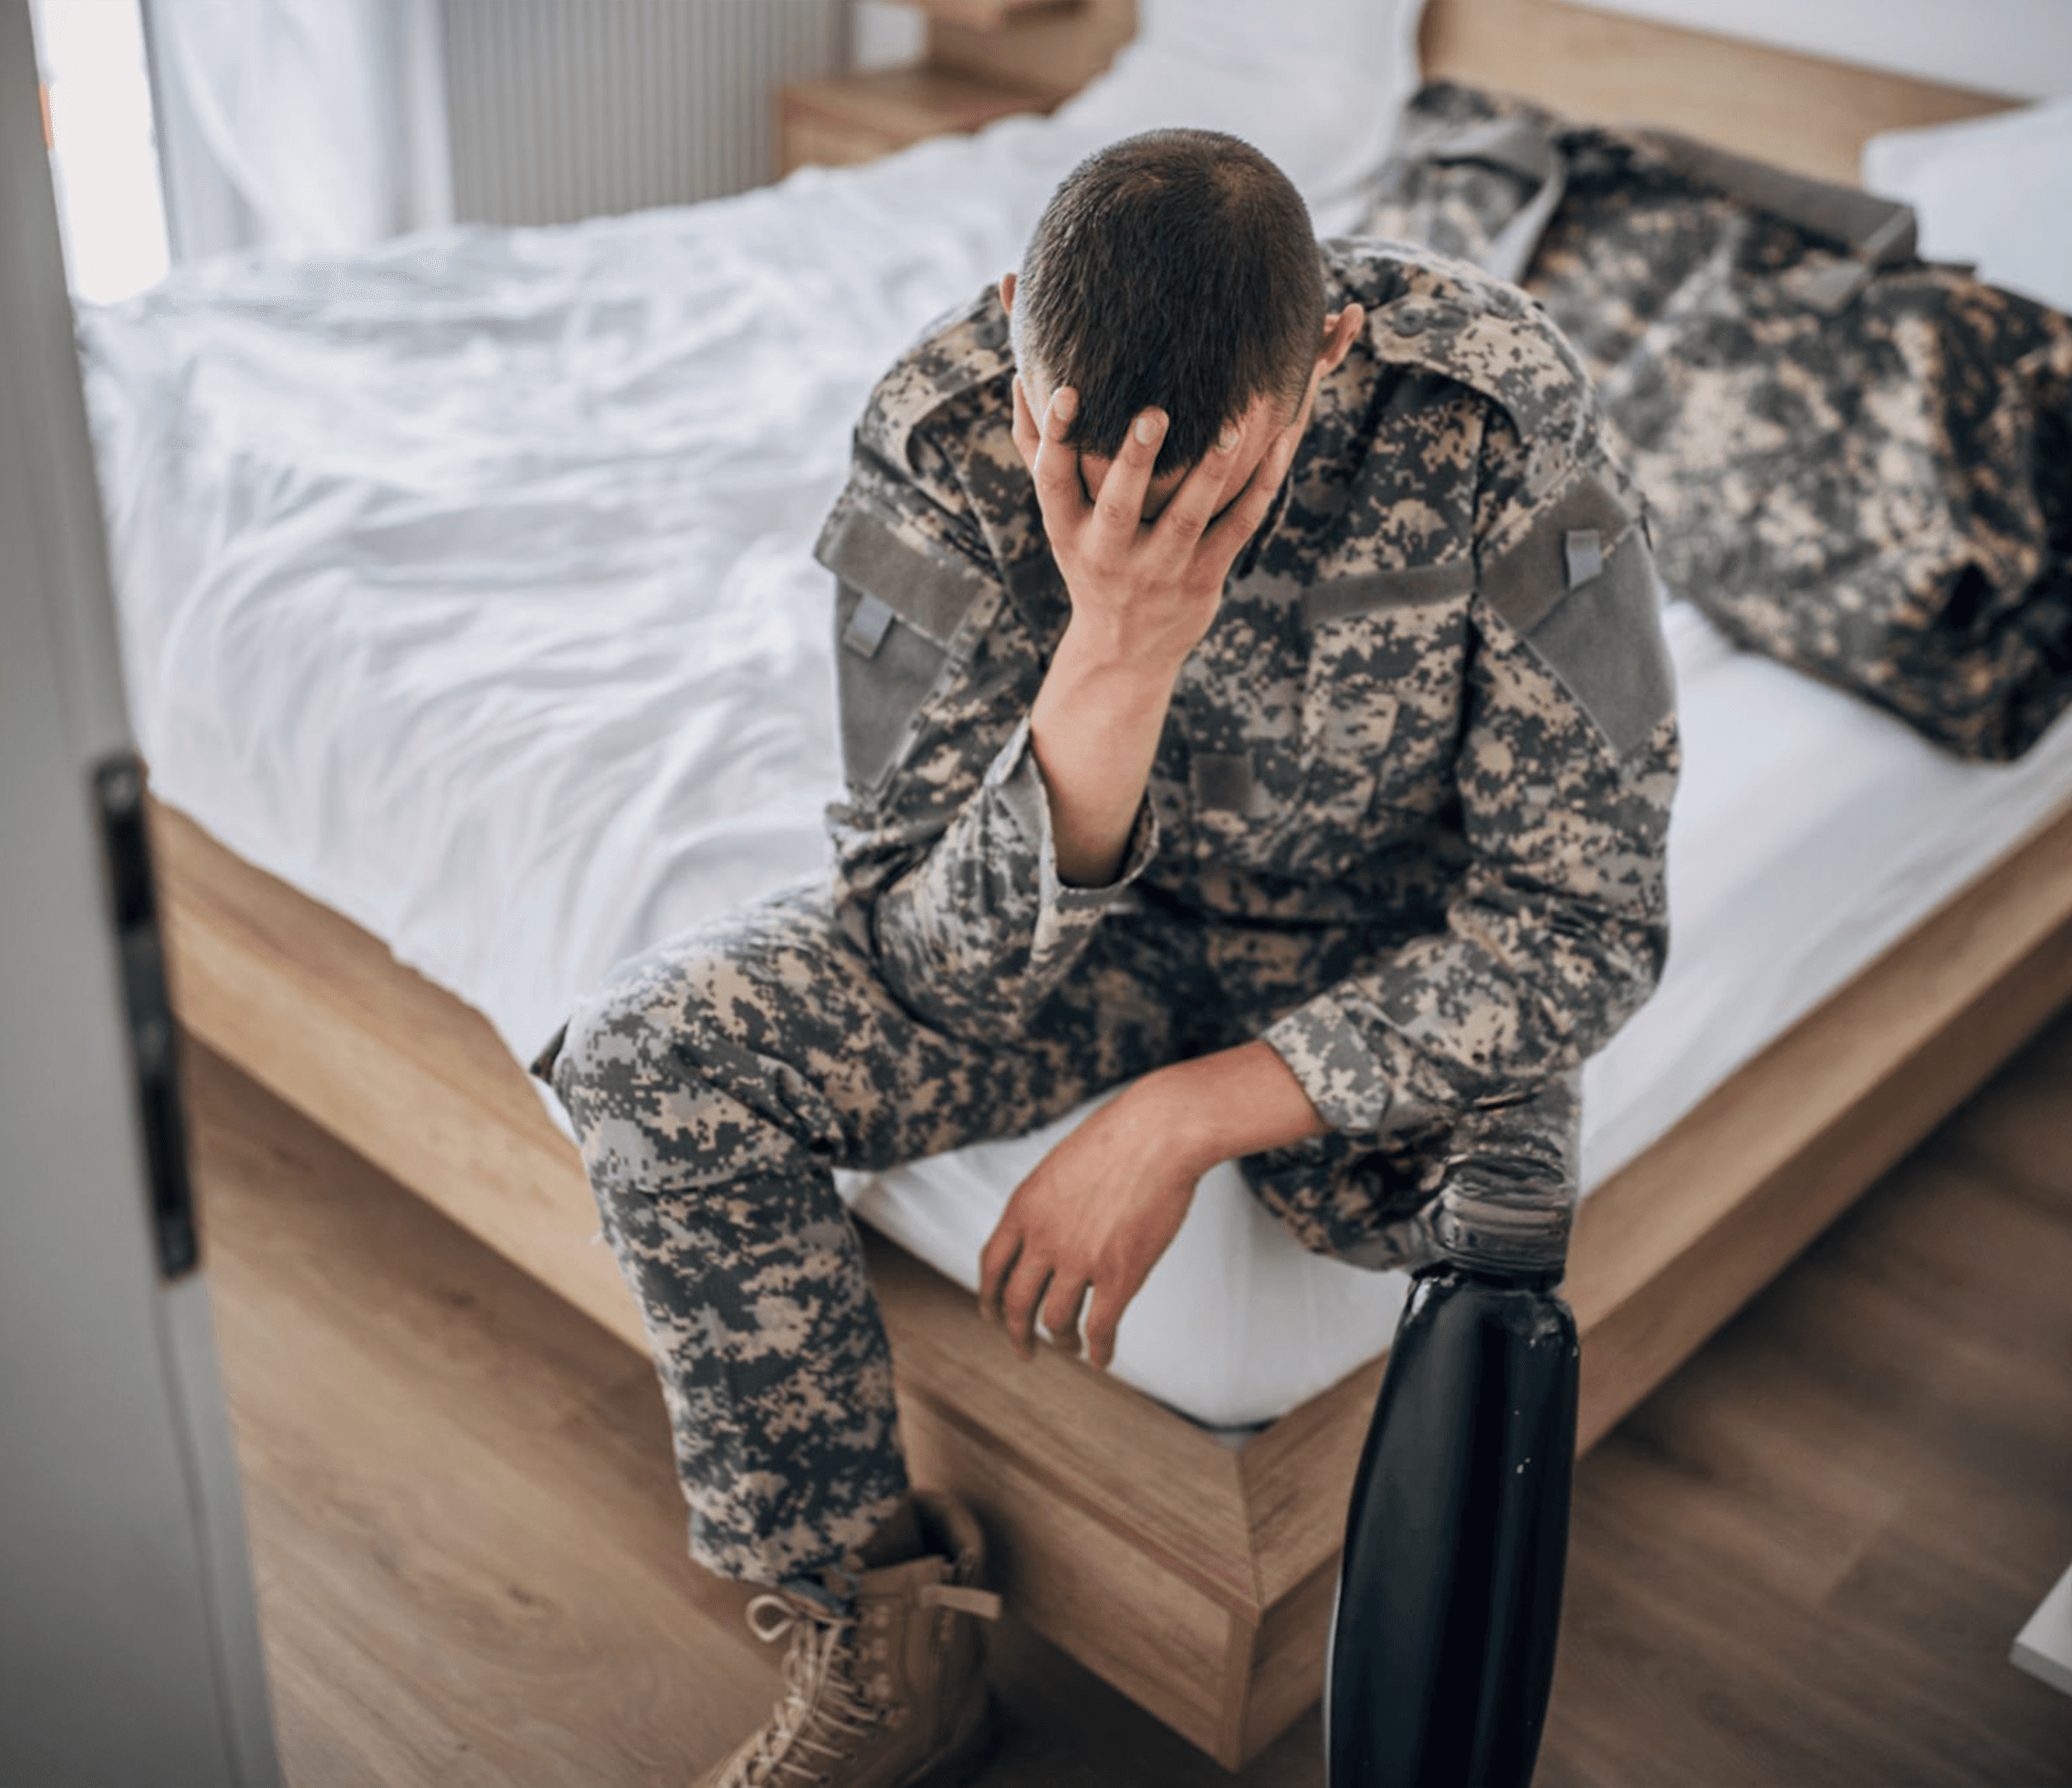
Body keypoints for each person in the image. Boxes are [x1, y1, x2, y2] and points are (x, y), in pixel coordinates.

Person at [539, 127, 1679, 1788]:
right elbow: (922, 951)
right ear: (1014, 324)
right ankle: (887, 1655)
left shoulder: (1492, 418)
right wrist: (1114, 656)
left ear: (1335, 350)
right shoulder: (943, 431)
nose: (1145, 508)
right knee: (653, 1058)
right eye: (1079, 454)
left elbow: (1583, 923)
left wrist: (1186, 1116)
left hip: (1375, 951)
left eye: (1225, 475)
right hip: (1085, 937)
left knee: (1505, 1242)